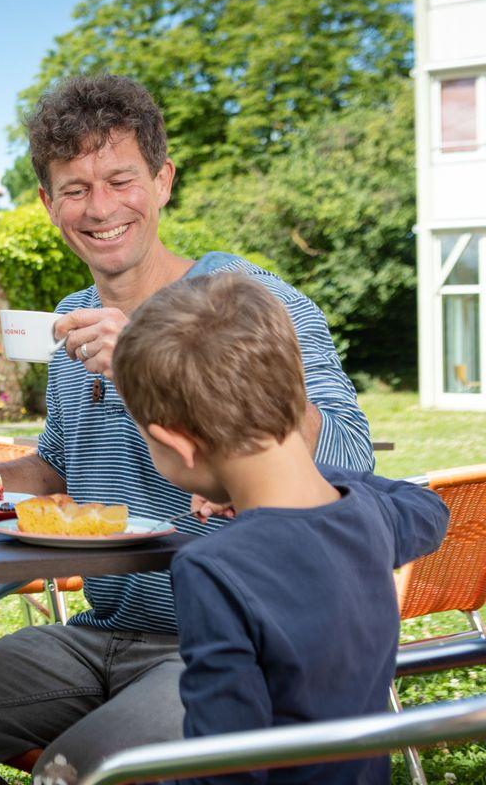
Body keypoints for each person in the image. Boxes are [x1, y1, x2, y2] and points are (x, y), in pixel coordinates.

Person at [0, 74, 376, 785]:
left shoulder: (249, 299)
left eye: (121, 180)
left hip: (223, 638)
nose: (100, 208)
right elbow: (54, 471)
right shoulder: (70, 320)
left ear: (163, 181)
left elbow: (350, 457)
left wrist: (161, 363)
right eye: (74, 188)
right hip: (99, 633)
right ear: (47, 204)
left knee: (82, 773)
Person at [68, 271, 445, 785]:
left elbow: (227, 763)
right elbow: (426, 507)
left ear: (177, 445)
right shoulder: (368, 515)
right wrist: (294, 480)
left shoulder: (214, 568)